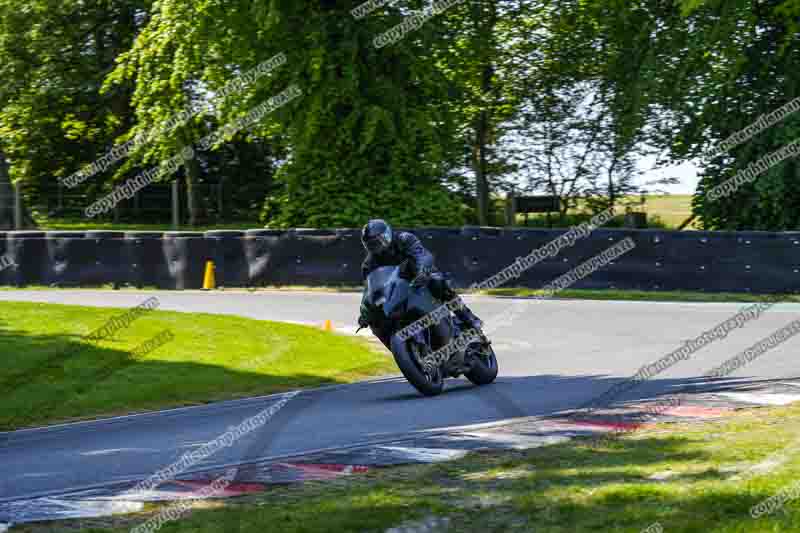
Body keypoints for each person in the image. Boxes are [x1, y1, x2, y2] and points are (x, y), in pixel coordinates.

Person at [357, 219, 484, 348]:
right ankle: (401, 350)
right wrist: (365, 313)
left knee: (437, 282)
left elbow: (421, 255)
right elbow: (370, 290)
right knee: (376, 322)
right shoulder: (368, 265)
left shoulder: (403, 239)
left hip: (419, 276)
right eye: (371, 245)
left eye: (377, 243)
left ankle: (468, 318)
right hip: (396, 292)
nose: (375, 248)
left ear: (387, 235)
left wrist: (423, 271)